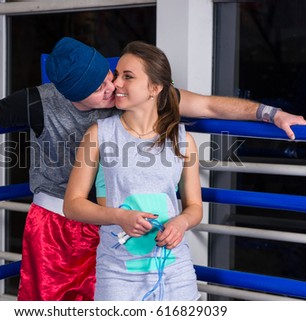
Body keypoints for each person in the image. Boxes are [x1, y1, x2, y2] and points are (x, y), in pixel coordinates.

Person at [0, 37, 306, 301]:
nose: (113, 87)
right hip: (61, 219)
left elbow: (211, 104)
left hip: (122, 226)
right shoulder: (39, 103)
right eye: (102, 87)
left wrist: (270, 113)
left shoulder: (145, 97)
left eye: (114, 76)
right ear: (75, 95)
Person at [64, 41, 202, 301]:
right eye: (117, 75)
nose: (116, 83)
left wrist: (181, 222)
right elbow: (72, 205)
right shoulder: (98, 134)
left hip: (176, 270)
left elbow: (194, 207)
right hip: (117, 272)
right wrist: (119, 217)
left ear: (154, 87)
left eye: (127, 76)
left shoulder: (183, 140)